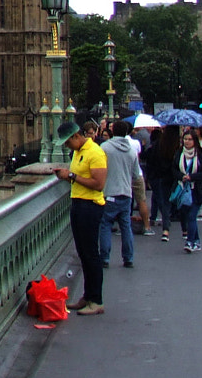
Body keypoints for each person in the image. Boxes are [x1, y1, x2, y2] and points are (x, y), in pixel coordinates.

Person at [53, 119, 107, 315]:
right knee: (83, 253)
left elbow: (99, 184)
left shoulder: (95, 153)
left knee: (91, 253)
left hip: (90, 206)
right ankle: (88, 295)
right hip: (78, 203)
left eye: (68, 142)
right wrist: (66, 176)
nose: (67, 146)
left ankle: (97, 300)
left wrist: (72, 176)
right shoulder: (78, 152)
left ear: (77, 136)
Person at [98, 119, 145, 268]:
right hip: (126, 193)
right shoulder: (131, 151)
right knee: (126, 227)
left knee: (105, 225)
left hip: (109, 192)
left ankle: (105, 257)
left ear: (112, 131)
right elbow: (136, 174)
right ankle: (128, 258)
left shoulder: (105, 148)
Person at [173, 127, 202, 250]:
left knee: (192, 215)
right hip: (183, 190)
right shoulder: (179, 154)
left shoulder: (201, 155)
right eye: (185, 139)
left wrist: (192, 177)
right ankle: (197, 241)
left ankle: (189, 241)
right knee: (187, 215)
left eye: (190, 139)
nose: (187, 142)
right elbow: (173, 169)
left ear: (195, 141)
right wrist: (182, 176)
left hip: (197, 190)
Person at [141, 128, 180, 241]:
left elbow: (147, 156)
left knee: (162, 200)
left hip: (159, 176)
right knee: (172, 199)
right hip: (173, 176)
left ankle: (165, 226)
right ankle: (183, 228)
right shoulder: (177, 146)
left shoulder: (158, 145)